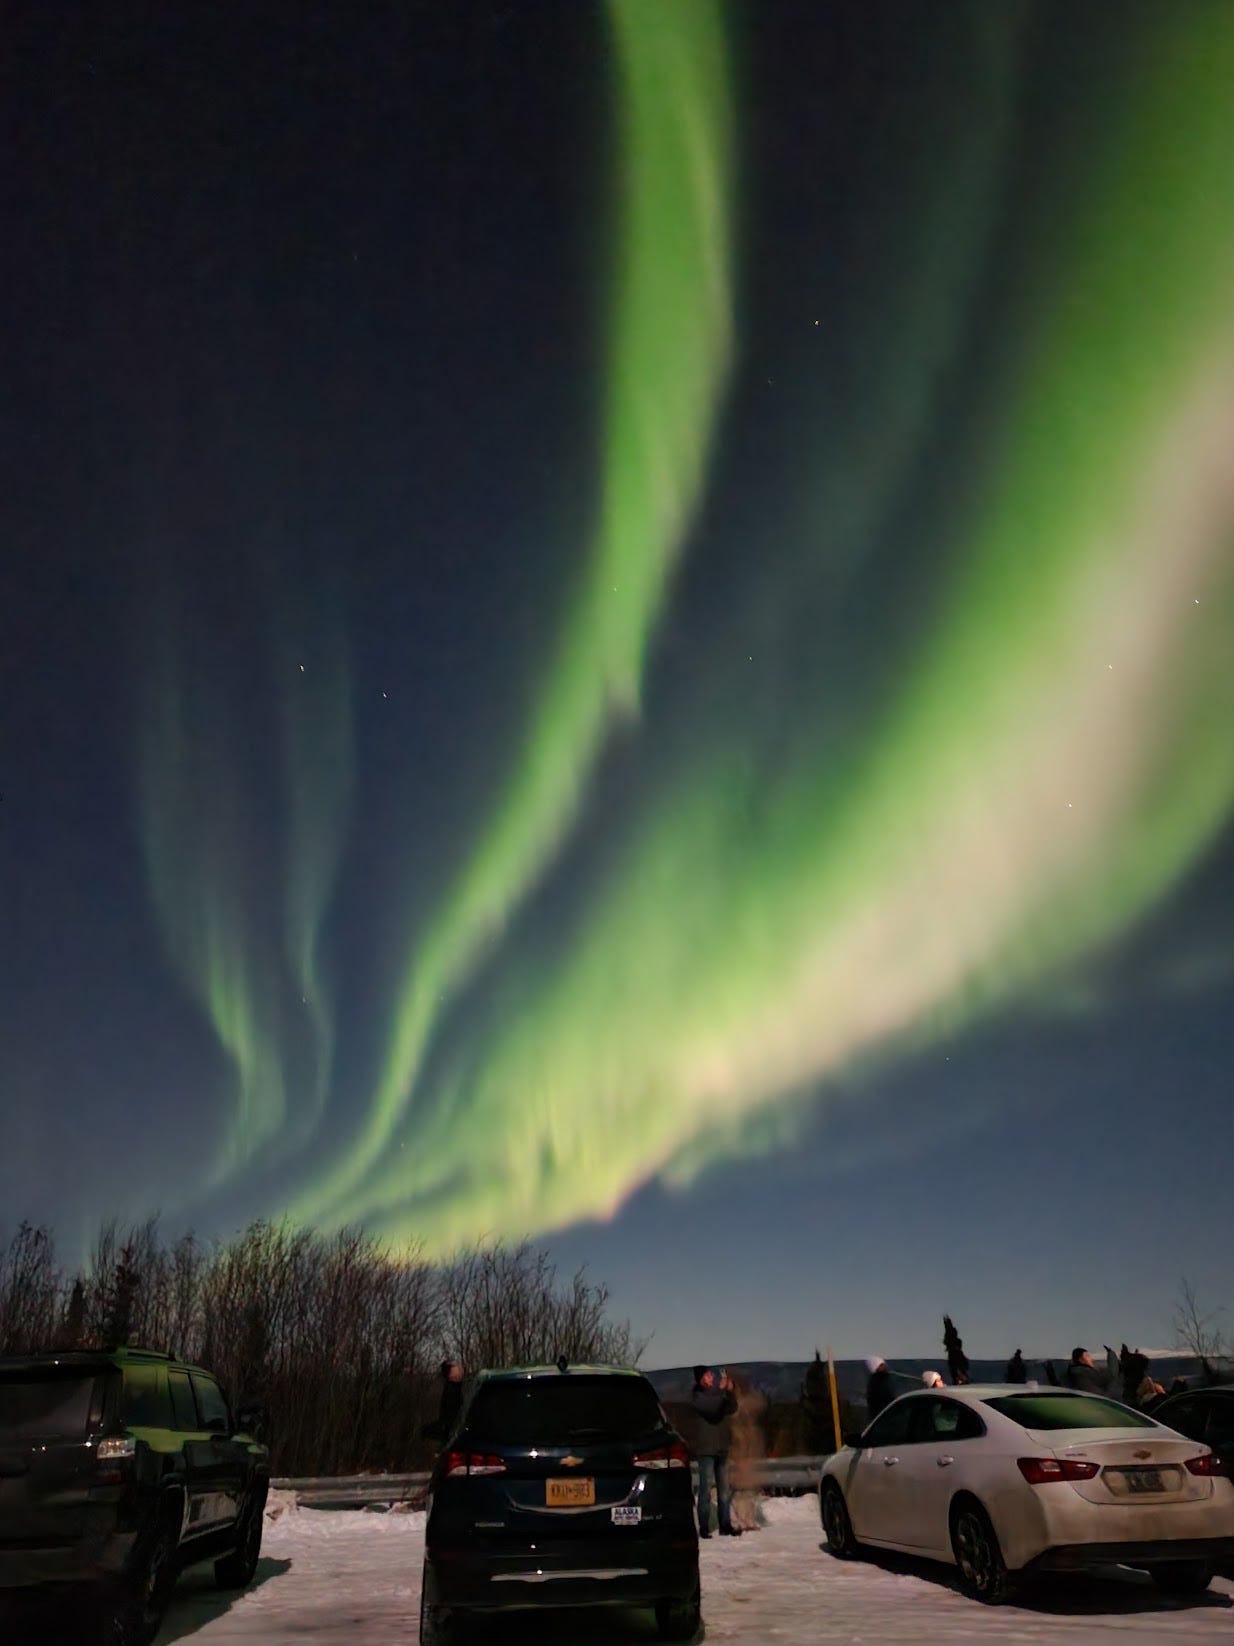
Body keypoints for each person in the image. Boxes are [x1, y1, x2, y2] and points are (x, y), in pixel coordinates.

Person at [691, 1367, 740, 1537]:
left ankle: (725, 1525)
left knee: (724, 1490)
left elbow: (732, 1408)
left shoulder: (719, 1395)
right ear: (700, 1379)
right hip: (706, 1448)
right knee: (705, 1490)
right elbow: (712, 1408)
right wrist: (722, 1391)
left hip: (722, 1447)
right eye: (707, 1374)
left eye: (711, 1374)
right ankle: (704, 1527)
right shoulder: (698, 1396)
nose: (711, 1376)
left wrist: (730, 1391)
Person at [422, 1359, 465, 1442]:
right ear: (450, 1375)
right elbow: (450, 1416)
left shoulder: (456, 1388)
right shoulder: (451, 1391)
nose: (459, 1369)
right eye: (455, 1367)